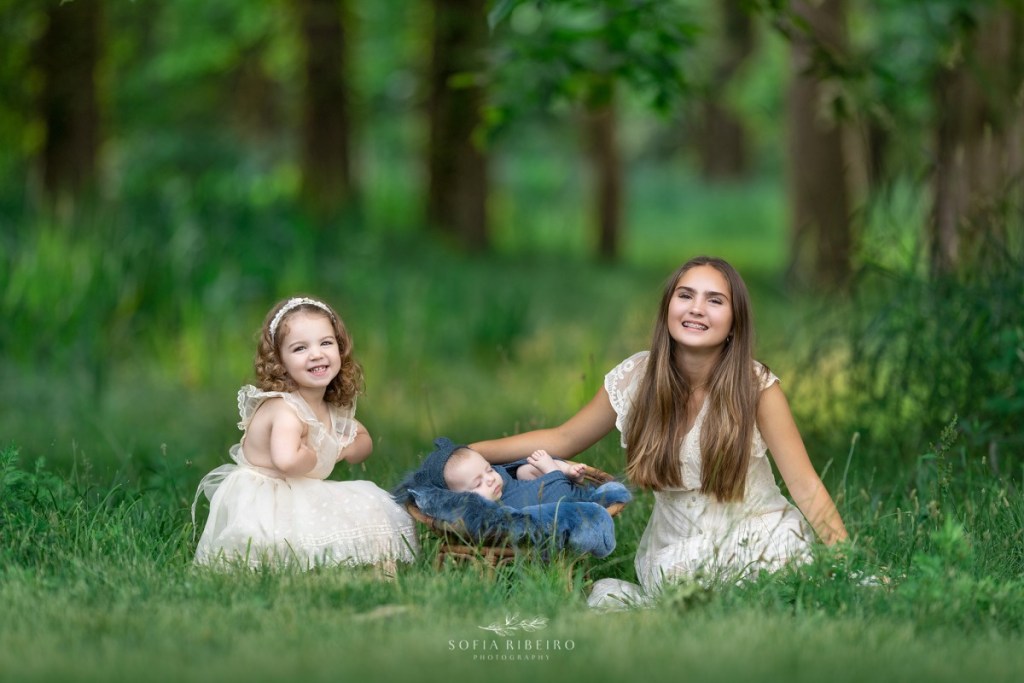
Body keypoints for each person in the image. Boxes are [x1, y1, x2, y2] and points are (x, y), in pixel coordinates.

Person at [470, 256, 848, 606]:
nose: (697, 308)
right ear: (668, 308)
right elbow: (563, 439)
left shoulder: (756, 386)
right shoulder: (637, 378)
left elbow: (805, 485)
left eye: (715, 300)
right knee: (673, 582)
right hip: (672, 550)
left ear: (735, 322)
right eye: (685, 295)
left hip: (761, 535)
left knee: (756, 580)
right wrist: (474, 452)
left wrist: (848, 564)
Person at [192, 296, 418, 571]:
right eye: (300, 348)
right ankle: (298, 570)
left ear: (340, 348)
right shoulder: (285, 410)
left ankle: (382, 572)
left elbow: (362, 439)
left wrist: (344, 449)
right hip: (266, 499)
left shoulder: (327, 406)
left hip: (298, 489)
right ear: (279, 361)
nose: (316, 354)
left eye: (326, 343)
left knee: (371, 503)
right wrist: (313, 456)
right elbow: (287, 460)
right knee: (289, 541)